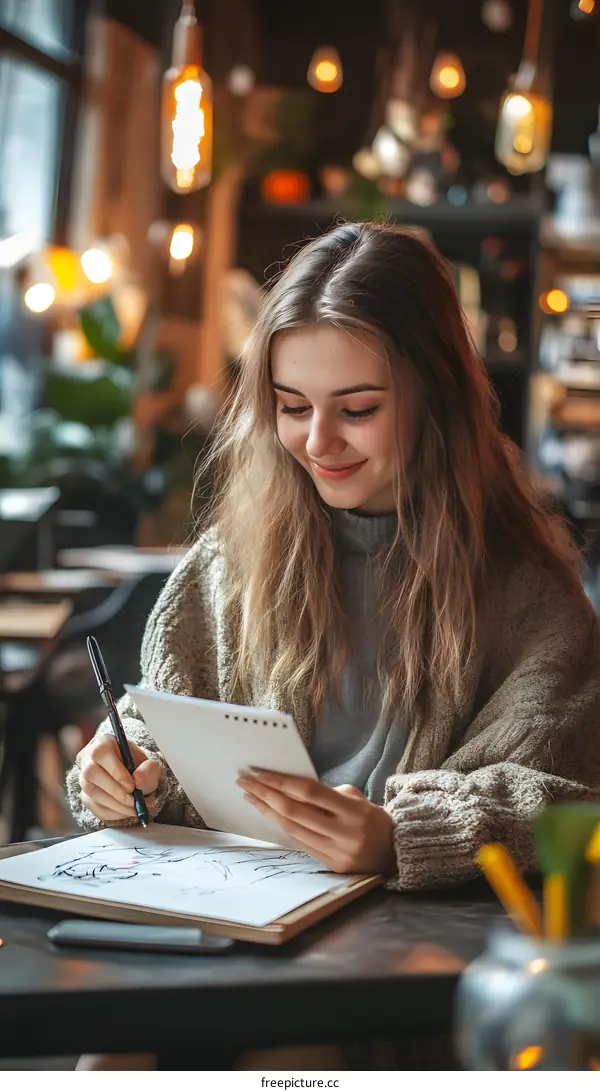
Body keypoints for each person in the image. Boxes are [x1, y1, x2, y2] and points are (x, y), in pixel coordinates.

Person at [67, 222, 600, 1069]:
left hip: (400, 972)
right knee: (108, 1055)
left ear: (436, 398)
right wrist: (126, 772)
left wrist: (399, 835)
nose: (318, 442)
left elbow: (567, 801)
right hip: (226, 933)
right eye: (291, 406)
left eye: (357, 410)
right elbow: (162, 721)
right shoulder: (228, 563)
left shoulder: (529, 594)